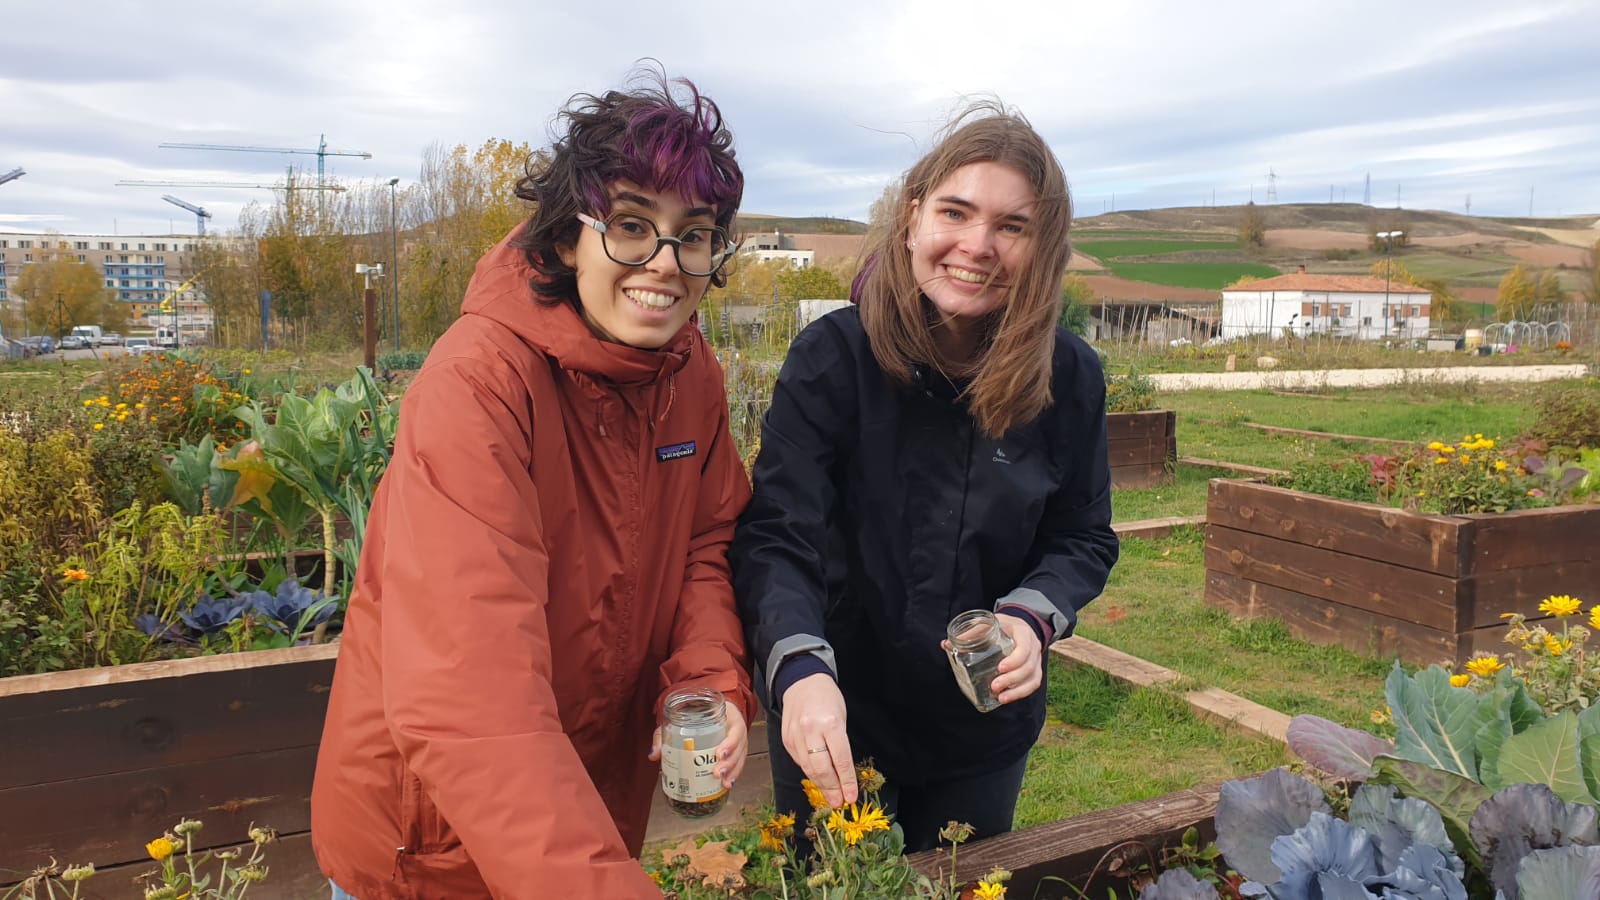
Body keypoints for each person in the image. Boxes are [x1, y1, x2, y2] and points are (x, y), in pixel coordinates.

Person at [311, 71, 757, 899]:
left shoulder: (687, 372)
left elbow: (705, 540)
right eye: (632, 226)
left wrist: (706, 678)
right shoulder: (477, 387)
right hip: (436, 853)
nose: (664, 264)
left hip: (577, 824)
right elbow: (469, 695)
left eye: (694, 235)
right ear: (564, 239)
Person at [731, 102, 1120, 853]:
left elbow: (1082, 536)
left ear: (1043, 249)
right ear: (913, 217)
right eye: (956, 211)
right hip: (837, 712)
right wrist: (799, 667)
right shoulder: (833, 358)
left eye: (1013, 226)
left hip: (980, 725)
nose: (978, 246)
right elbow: (779, 536)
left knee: (965, 878)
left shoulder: (1068, 376)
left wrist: (1032, 619)